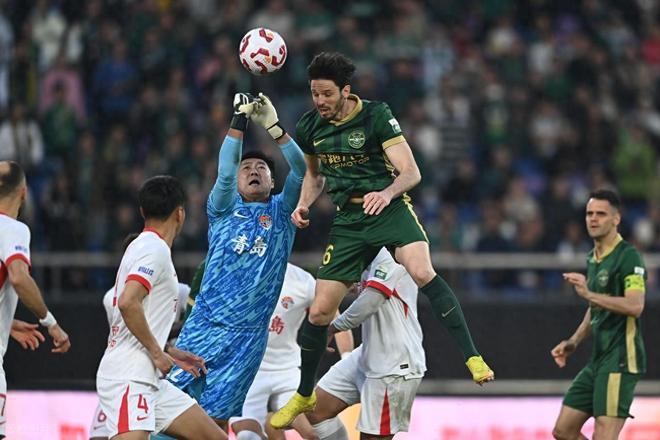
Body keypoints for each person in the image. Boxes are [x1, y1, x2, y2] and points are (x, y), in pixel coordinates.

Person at [272, 52, 493, 428]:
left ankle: (472, 356)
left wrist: (387, 193)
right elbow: (315, 175)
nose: (320, 101)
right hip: (349, 220)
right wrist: (304, 204)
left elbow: (411, 172)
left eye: (327, 94)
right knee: (320, 312)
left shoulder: (376, 115)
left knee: (421, 271)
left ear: (345, 91)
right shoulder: (310, 126)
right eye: (315, 94)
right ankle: (304, 393)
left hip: (388, 208)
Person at [166, 93, 306, 430]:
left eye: (262, 168)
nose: (254, 171)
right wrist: (238, 122)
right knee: (170, 407)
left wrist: (274, 127)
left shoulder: (283, 212)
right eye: (247, 168)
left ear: (273, 181)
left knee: (217, 421)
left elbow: (303, 170)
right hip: (206, 326)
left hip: (249, 338)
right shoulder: (224, 208)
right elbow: (226, 172)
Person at [95, 175, 226, 440]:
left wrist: (170, 352)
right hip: (130, 377)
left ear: (143, 211)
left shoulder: (144, 246)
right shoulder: (154, 249)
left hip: (150, 379)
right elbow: (128, 302)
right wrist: (157, 353)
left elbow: (139, 314)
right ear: (180, 214)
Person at [551, 190, 647, 440]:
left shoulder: (628, 256)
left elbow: (635, 305)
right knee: (563, 431)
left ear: (616, 219)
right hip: (598, 359)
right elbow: (595, 307)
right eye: (589, 213)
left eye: (601, 214)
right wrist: (574, 341)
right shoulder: (593, 258)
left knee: (603, 435)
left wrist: (589, 294)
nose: (593, 219)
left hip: (621, 359)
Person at [306, 248, 426, 440]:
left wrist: (331, 329)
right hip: (367, 353)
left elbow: (370, 302)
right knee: (315, 412)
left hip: (393, 363)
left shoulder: (393, 253)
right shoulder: (369, 251)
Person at [228, 262, 354, 440]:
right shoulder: (238, 274)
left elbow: (336, 318)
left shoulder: (303, 281)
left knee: (314, 434)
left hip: (286, 370)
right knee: (247, 436)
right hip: (247, 371)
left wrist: (347, 358)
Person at [89, 232, 192, 440]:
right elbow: (133, 332)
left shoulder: (179, 290)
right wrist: (162, 351)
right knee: (99, 435)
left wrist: (171, 350)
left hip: (162, 373)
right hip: (131, 372)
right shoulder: (112, 297)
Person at [0, 160, 71, 440]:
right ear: (24, 193)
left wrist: (7, 323)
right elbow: (19, 277)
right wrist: (50, 322)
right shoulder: (13, 229)